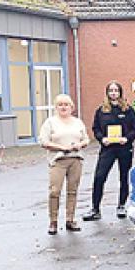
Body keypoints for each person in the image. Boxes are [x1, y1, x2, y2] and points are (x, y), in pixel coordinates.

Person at [84, 81, 135, 221]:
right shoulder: (101, 110)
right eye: (111, 90)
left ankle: (121, 205)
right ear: (107, 93)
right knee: (99, 176)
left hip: (124, 148)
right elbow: (96, 128)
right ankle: (95, 209)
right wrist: (102, 139)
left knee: (124, 177)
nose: (113, 93)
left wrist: (127, 139)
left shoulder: (128, 110)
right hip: (107, 149)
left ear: (120, 92)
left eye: (116, 90)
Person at [38, 94, 90, 235]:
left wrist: (80, 145)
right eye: (60, 104)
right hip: (58, 160)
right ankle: (53, 221)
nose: (63, 107)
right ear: (56, 107)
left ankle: (70, 219)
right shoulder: (50, 122)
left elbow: (86, 139)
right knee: (54, 191)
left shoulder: (78, 122)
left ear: (71, 107)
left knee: (72, 191)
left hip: (75, 159)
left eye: (66, 104)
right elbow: (43, 141)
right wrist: (61, 148)